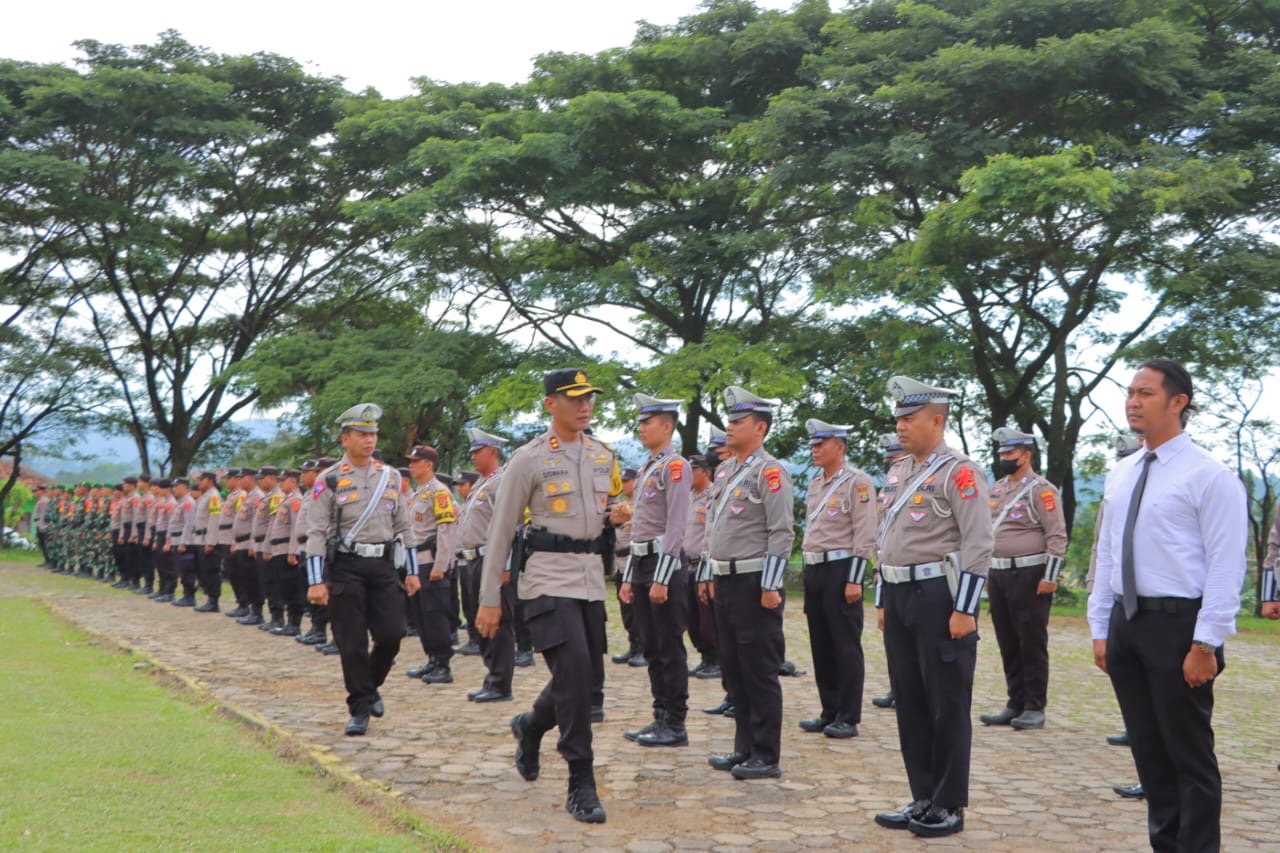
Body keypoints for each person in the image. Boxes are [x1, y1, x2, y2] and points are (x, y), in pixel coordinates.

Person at [1087, 358, 1247, 852]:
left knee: (1189, 757)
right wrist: (1100, 625)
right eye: (1130, 392)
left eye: (1146, 393)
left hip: (1180, 627)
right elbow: (1109, 552)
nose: (1134, 402)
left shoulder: (1209, 476)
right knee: (1150, 756)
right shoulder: (1122, 473)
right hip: (1128, 624)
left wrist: (1207, 641)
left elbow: (1225, 563)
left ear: (1178, 402)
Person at [476, 368, 620, 824]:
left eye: (589, 398)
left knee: (587, 674)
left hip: (589, 579)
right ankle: (581, 780)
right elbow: (500, 530)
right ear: (549, 404)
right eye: (574, 398)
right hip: (544, 578)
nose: (585, 406)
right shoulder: (528, 459)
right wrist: (488, 598)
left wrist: (617, 516)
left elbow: (602, 516)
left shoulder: (603, 456)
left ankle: (532, 724)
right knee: (575, 672)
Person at [873, 376, 993, 839]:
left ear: (937, 420)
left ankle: (948, 803)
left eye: (910, 418)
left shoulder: (960, 472)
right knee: (912, 701)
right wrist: (883, 597)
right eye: (899, 418)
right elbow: (886, 540)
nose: (901, 426)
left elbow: (979, 542)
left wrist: (966, 609)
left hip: (939, 598)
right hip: (901, 595)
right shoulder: (899, 471)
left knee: (946, 702)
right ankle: (921, 794)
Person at [305, 403, 420, 737]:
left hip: (384, 565)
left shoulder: (391, 476)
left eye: (373, 434)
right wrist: (316, 581)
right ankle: (359, 708)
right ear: (346, 439)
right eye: (362, 434)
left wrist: (412, 572)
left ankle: (370, 687)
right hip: (346, 567)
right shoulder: (329, 480)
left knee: (392, 634)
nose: (369, 440)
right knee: (351, 642)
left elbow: (405, 527)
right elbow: (316, 531)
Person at [701, 386, 795, 781]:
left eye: (738, 422)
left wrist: (771, 584)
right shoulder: (726, 470)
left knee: (758, 670)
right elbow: (712, 527)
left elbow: (782, 531)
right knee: (734, 669)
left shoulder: (770, 472)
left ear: (760, 428)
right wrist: (707, 571)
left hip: (755, 581)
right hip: (725, 580)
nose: (730, 427)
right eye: (729, 420)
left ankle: (765, 754)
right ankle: (743, 748)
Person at [979, 428, 1068, 731]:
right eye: (1002, 454)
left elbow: (1057, 535)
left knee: (1031, 641)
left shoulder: (1041, 490)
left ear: (1026, 455)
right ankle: (1014, 701)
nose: (1005, 459)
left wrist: (1050, 577)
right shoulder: (998, 489)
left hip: (1030, 574)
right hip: (1000, 572)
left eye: (1010, 454)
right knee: (1007, 641)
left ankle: (1034, 706)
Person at [618, 393, 692, 748]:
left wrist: (661, 577)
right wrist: (632, 576)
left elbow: (676, 525)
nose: (641, 428)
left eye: (648, 422)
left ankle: (675, 723)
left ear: (667, 426)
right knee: (650, 645)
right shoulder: (649, 466)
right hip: (643, 563)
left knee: (668, 646)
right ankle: (659, 715)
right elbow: (640, 529)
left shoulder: (675, 466)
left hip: (665, 565)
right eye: (641, 422)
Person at [798, 419, 877, 740]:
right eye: (813, 444)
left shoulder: (857, 482)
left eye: (821, 444)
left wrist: (855, 579)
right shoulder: (816, 483)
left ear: (840, 447)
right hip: (815, 569)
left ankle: (848, 715)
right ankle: (828, 709)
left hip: (841, 569)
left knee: (845, 644)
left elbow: (865, 533)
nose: (815, 449)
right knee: (821, 643)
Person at [456, 428, 517, 702]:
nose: (473, 458)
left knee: (498, 623)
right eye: (471, 453)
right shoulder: (482, 484)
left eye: (477, 452)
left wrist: (505, 565)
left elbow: (511, 525)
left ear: (492, 452)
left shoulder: (502, 482)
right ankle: (491, 676)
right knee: (478, 621)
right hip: (471, 561)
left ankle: (500, 682)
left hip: (490, 560)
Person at [403, 445, 459, 685]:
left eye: (416, 462)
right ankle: (432, 659)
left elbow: (446, 530)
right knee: (422, 615)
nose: (411, 465)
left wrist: (441, 565)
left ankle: (443, 664)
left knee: (435, 615)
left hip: (431, 562)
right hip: (417, 563)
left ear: (428, 464)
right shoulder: (419, 492)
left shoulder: (439, 492)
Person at [872, 433, 909, 710]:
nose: (890, 466)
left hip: (915, 573)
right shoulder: (886, 491)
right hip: (888, 570)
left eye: (894, 459)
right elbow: (880, 534)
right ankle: (898, 687)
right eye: (887, 461)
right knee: (893, 637)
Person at [683, 455, 718, 680]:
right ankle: (705, 656)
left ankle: (717, 659)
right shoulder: (688, 497)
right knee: (691, 618)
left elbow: (711, 534)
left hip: (704, 566)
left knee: (707, 618)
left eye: (693, 469)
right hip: (686, 565)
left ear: (705, 472)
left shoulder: (713, 495)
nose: (688, 474)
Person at [610, 469, 645, 667]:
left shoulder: (641, 505)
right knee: (627, 611)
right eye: (622, 481)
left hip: (635, 561)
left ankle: (643, 648)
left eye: (627, 481)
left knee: (637, 609)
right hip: (620, 563)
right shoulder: (620, 506)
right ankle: (633, 645)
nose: (624, 485)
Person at [265, 469, 306, 636]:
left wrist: (292, 551)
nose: (280, 483)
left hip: (286, 550)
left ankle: (294, 624)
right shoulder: (286, 500)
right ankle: (288, 622)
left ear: (293, 481)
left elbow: (297, 528)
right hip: (278, 549)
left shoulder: (296, 500)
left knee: (292, 588)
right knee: (283, 587)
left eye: (283, 480)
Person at [191, 471, 223, 613]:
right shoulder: (205, 496)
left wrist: (211, 542)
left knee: (211, 571)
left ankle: (213, 601)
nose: (199, 482)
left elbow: (214, 520)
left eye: (202, 480)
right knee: (204, 570)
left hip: (208, 539)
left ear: (210, 480)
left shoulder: (214, 496)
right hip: (200, 538)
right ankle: (209, 598)